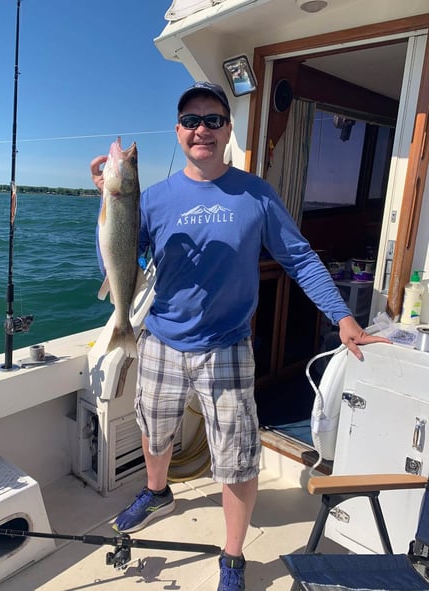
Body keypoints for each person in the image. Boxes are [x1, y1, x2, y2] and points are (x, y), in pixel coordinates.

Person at [90, 81, 390, 591]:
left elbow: (298, 257)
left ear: (228, 129)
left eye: (212, 119)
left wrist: (342, 316)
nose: (201, 129)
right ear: (179, 131)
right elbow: (119, 257)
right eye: (191, 120)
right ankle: (157, 490)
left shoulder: (257, 194)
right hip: (161, 337)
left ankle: (232, 555)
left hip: (228, 345)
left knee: (237, 454)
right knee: (153, 427)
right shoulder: (152, 197)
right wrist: (106, 201)